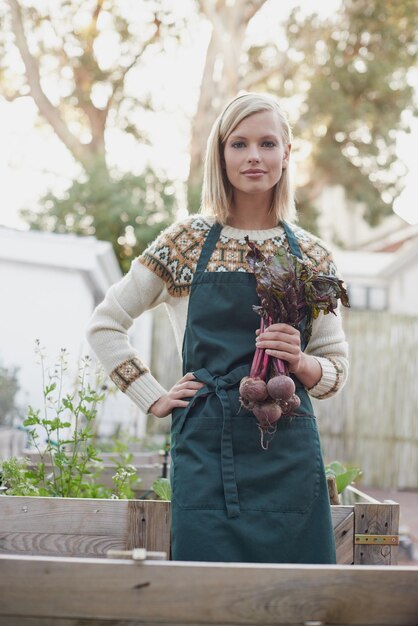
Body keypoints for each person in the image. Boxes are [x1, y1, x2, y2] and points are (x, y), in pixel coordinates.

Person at [86, 92, 349, 564]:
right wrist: (153, 395)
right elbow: (106, 325)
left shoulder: (312, 255)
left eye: (267, 143)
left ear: (287, 153)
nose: (253, 156)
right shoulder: (184, 244)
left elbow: (336, 369)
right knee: (202, 592)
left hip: (286, 447)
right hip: (207, 445)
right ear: (220, 153)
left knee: (296, 594)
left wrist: (303, 362)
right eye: (239, 144)